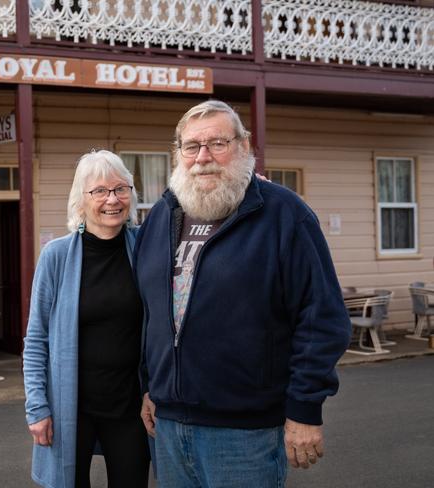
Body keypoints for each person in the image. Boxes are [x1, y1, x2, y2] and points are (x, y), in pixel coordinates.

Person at [135, 100, 352, 487]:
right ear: (178, 154)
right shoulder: (160, 217)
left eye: (218, 143)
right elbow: (151, 314)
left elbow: (322, 317)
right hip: (167, 426)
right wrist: (151, 386)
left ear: (244, 146)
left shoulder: (284, 215)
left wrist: (304, 409)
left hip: (244, 434)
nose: (203, 157)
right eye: (192, 146)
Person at [23, 150, 150, 488]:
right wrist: (37, 408)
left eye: (121, 189)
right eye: (100, 191)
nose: (113, 199)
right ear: (82, 200)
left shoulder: (145, 249)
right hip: (71, 407)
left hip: (130, 406)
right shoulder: (56, 257)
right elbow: (37, 339)